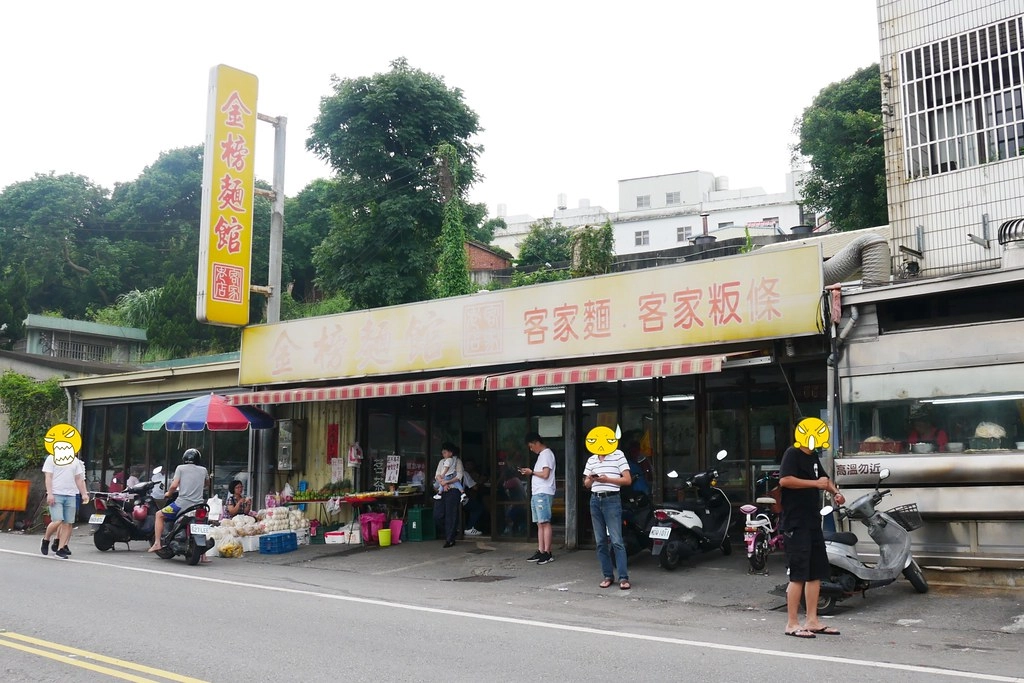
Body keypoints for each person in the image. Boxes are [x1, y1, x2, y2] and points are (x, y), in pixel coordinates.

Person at [779, 417, 844, 638]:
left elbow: (824, 479)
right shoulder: (792, 453)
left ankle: (812, 620)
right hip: (795, 523)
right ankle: (791, 623)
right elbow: (785, 481)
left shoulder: (813, 456)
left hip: (812, 522)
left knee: (815, 572)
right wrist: (814, 484)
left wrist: (836, 493)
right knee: (798, 574)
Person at [583, 425, 633, 590]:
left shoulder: (618, 455)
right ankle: (607, 575)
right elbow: (586, 484)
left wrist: (608, 480)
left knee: (617, 541)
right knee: (600, 542)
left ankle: (623, 578)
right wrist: (591, 479)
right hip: (595, 500)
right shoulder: (592, 459)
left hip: (611, 500)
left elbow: (627, 480)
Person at [41, 424, 90, 559]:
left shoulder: (75, 462)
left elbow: (79, 479)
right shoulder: (52, 458)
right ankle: (46, 539)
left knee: (68, 523)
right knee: (57, 520)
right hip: (56, 494)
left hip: (71, 495)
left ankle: (61, 548)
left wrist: (84, 493)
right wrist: (49, 493)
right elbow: (48, 477)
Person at [149, 448, 209, 553]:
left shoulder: (180, 468)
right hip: (199, 505)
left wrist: (168, 493)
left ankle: (157, 543)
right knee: (202, 524)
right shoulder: (203, 470)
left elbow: (174, 485)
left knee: (159, 515)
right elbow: (207, 484)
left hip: (181, 505)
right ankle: (203, 556)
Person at [520, 433, 556, 564]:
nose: (531, 449)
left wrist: (532, 472)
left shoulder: (546, 454)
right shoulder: (542, 455)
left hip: (543, 492)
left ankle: (547, 552)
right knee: (539, 523)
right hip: (537, 493)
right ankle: (541, 550)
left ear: (536, 443)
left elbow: (545, 474)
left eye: (531, 446)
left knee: (544, 522)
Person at [432, 443, 464, 548]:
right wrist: (442, 483)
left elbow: (459, 476)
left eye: (445, 452)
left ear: (451, 452)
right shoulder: (441, 462)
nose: (443, 454)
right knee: (437, 515)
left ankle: (450, 539)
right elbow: (437, 475)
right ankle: (450, 531)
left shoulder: (457, 462)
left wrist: (448, 482)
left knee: (451, 515)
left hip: (453, 490)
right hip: (442, 489)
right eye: (442, 452)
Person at [462, 460, 488, 536]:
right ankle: (470, 527)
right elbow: (475, 487)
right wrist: (480, 482)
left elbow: (435, 486)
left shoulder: (445, 473)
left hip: (450, 500)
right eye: (467, 464)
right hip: (462, 500)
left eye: (471, 464)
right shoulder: (463, 473)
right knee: (478, 507)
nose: (469, 466)